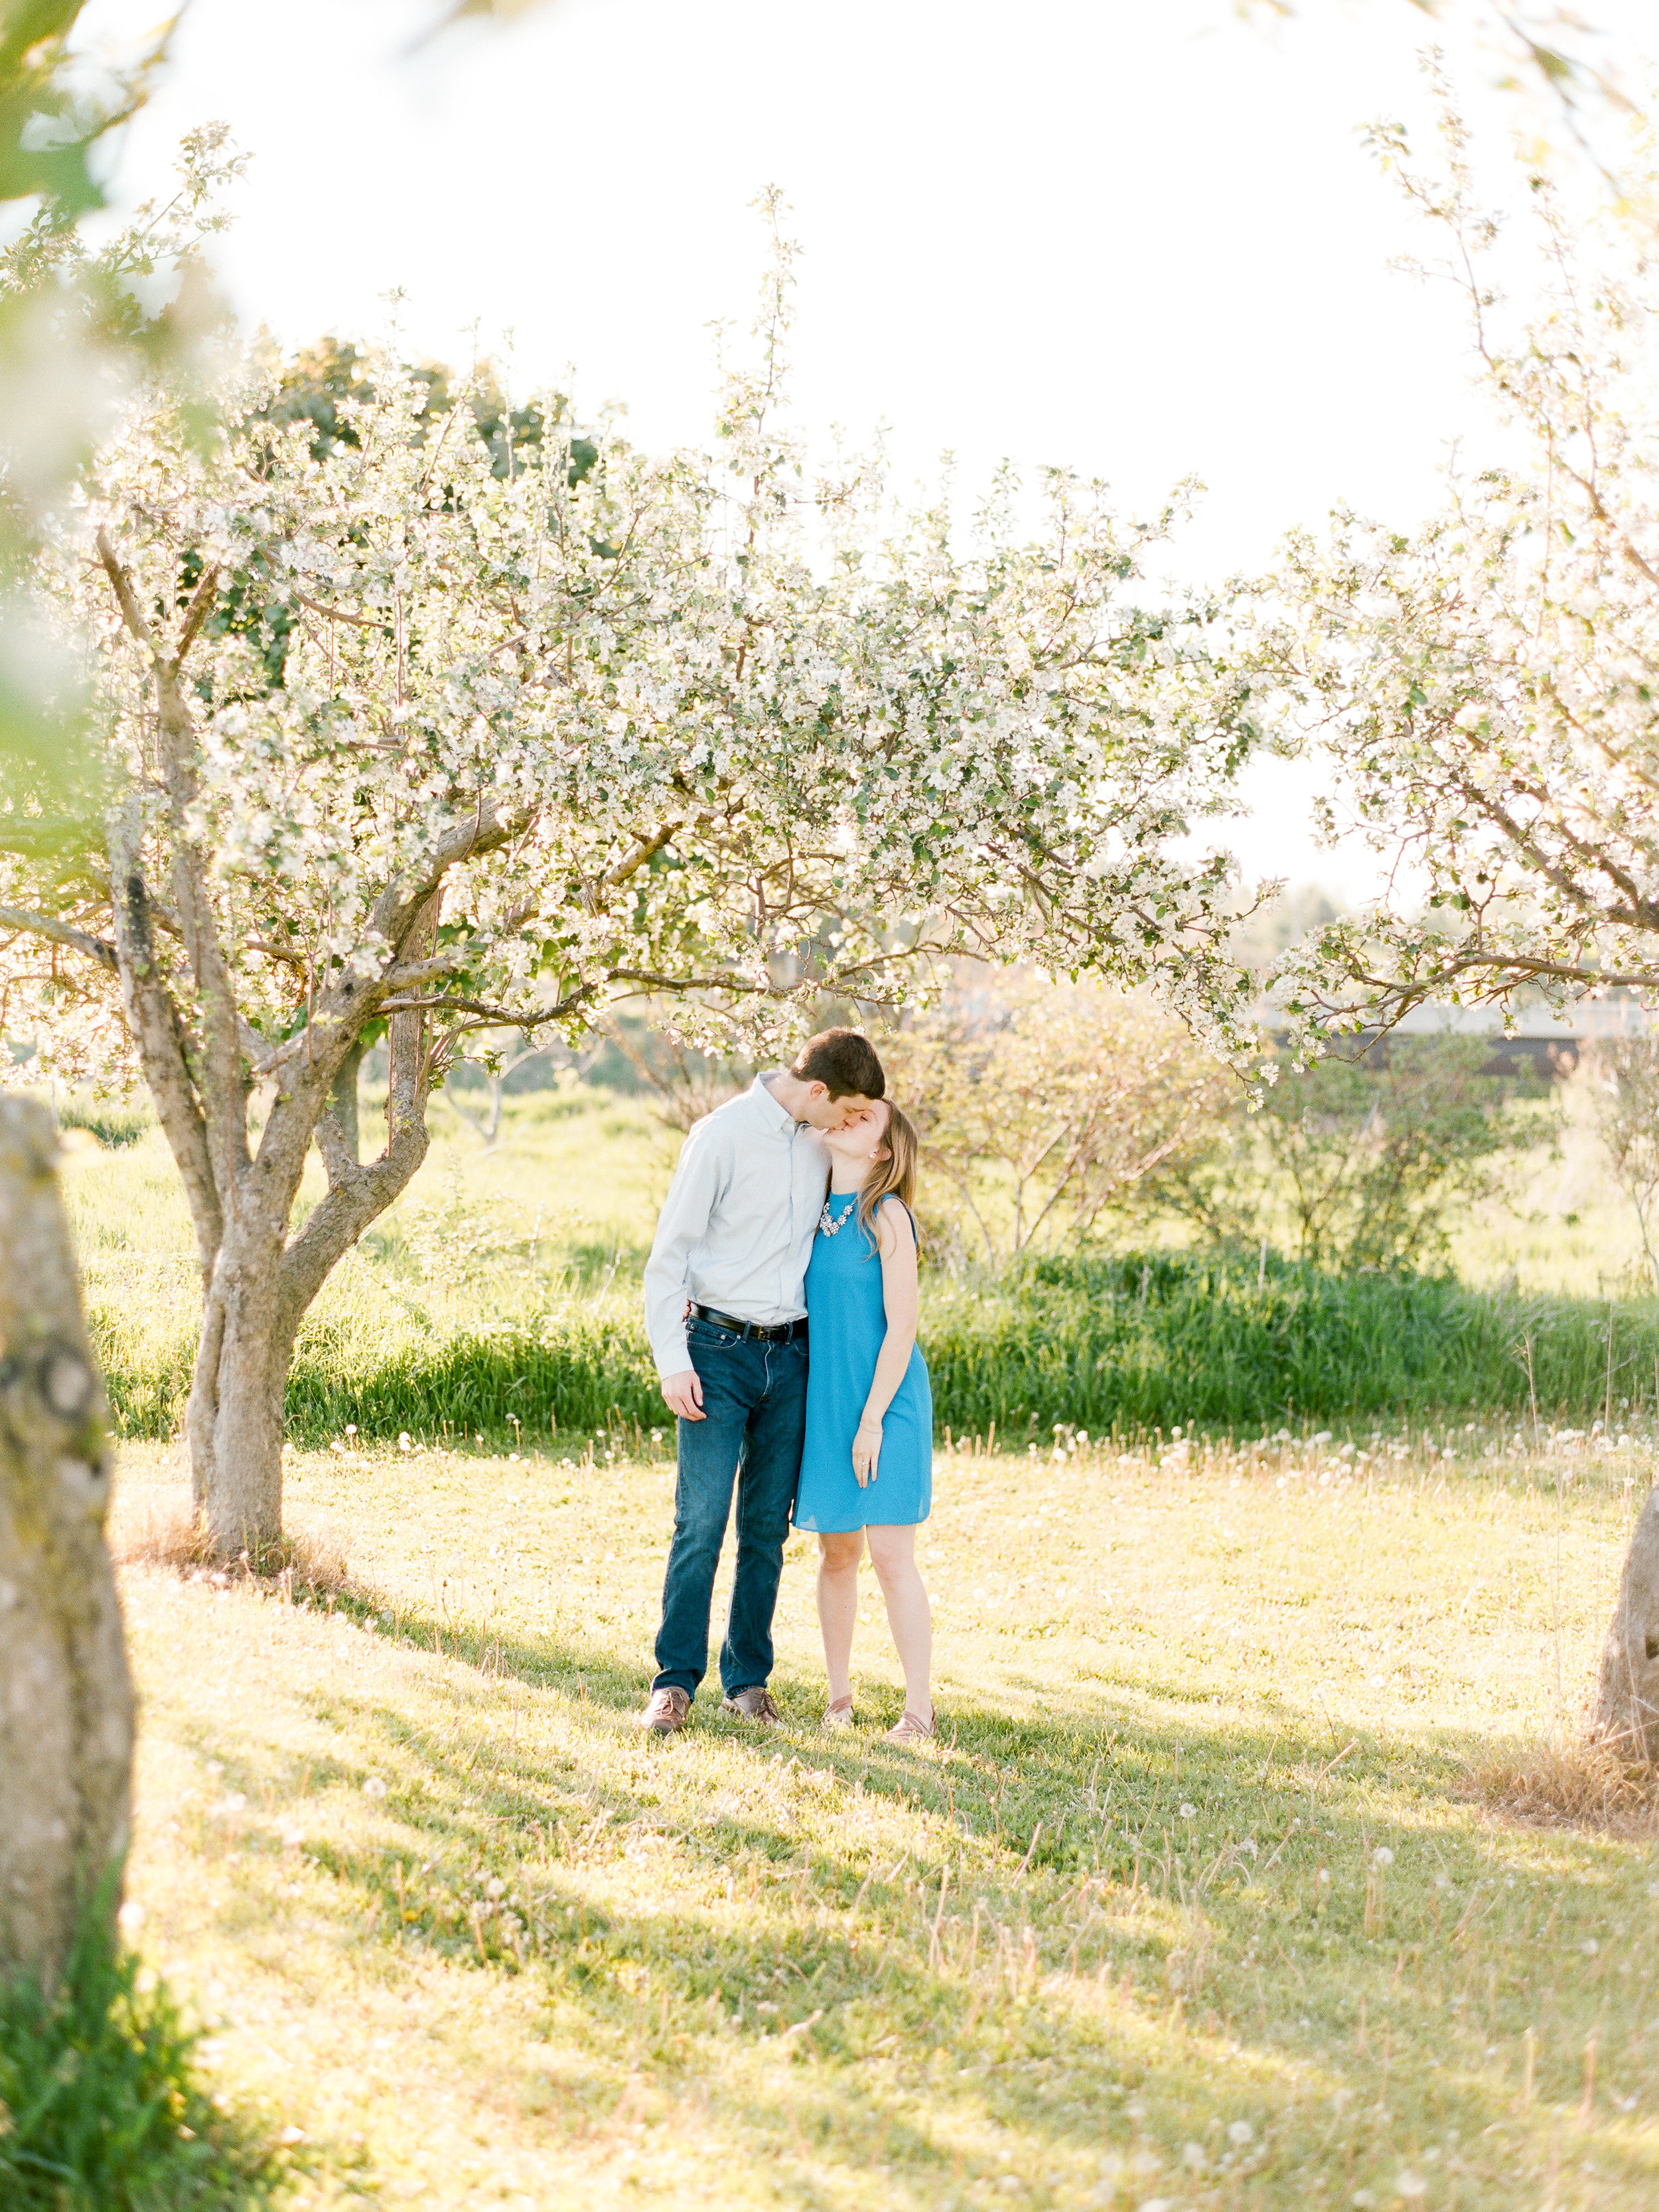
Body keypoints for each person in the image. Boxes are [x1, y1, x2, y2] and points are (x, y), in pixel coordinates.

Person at [637, 1029, 886, 1733]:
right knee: (701, 1522)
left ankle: (747, 1681)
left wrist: (868, 1120)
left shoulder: (820, 1142)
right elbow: (669, 1256)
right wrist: (672, 1360)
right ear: (816, 1092)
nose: (848, 1123)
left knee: (765, 1530)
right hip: (715, 1351)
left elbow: (868, 1143)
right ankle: (673, 1683)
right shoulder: (720, 1136)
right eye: (847, 1109)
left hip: (793, 1357)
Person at [792, 1099, 936, 1743]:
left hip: (887, 1400)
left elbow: (901, 1326)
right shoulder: (810, 1211)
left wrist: (873, 1419)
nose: (851, 1117)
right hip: (827, 1402)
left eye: (867, 1118)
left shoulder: (889, 1216)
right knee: (837, 1552)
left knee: (889, 1553)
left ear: (883, 1151)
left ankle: (919, 1712)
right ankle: (838, 1699)